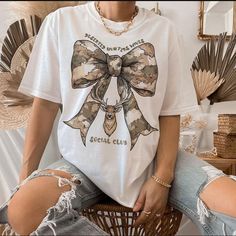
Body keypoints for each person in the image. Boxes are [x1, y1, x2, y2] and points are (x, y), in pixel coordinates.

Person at [1, 1, 236, 235]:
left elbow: (169, 113)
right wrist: (25, 181)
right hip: (81, 164)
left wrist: (162, 178)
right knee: (23, 209)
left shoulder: (165, 30)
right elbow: (44, 106)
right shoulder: (61, 22)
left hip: (154, 157)